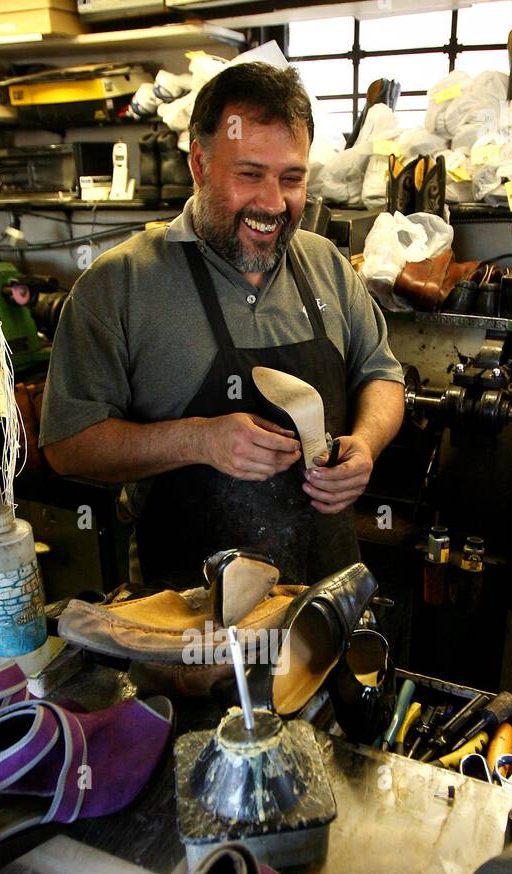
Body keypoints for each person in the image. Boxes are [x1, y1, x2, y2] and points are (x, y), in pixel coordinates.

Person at [40, 61, 405, 587]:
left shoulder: (326, 264)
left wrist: (366, 444)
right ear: (199, 164)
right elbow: (68, 445)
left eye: (291, 178)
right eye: (249, 175)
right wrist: (197, 441)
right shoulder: (120, 284)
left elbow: (381, 375)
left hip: (321, 603)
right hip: (186, 616)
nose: (273, 204)